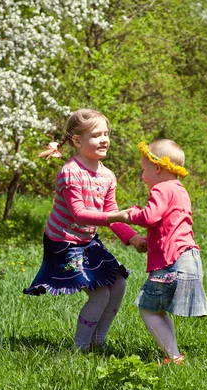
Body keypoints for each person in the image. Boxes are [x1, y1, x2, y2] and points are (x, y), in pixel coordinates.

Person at [23, 109, 147, 351]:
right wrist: (115, 216)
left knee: (119, 283)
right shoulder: (71, 173)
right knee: (99, 294)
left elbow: (111, 214)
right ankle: (80, 348)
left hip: (86, 241)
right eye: (96, 135)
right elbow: (79, 214)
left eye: (106, 134)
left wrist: (132, 238)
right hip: (63, 244)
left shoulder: (107, 176)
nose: (104, 139)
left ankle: (98, 341)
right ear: (77, 141)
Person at [108, 139, 207, 365]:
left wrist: (130, 214)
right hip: (188, 257)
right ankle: (173, 354)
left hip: (172, 263)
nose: (143, 176)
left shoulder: (161, 188)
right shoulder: (180, 190)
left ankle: (173, 356)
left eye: (144, 170)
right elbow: (167, 225)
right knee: (158, 308)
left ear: (157, 168)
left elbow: (150, 217)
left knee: (148, 309)